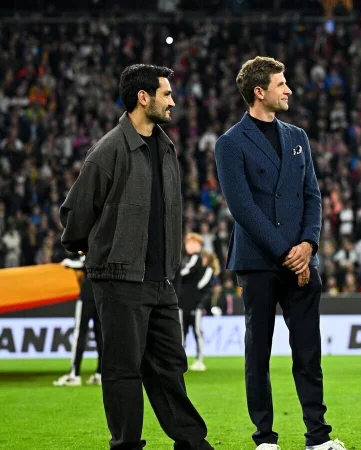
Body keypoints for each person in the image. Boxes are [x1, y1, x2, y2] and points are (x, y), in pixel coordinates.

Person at [60, 64, 213, 450]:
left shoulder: (166, 146)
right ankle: (126, 446)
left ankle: (192, 443)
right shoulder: (109, 149)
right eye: (167, 94)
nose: (173, 101)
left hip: (161, 280)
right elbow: (75, 212)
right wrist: (96, 252)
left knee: (170, 367)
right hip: (118, 279)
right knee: (122, 372)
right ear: (143, 98)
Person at [214, 56, 345, 450]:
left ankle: (317, 437)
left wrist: (307, 246)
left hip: (303, 259)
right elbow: (242, 209)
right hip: (258, 262)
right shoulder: (229, 143)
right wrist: (289, 252)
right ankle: (265, 439)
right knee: (259, 352)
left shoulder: (298, 137)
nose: (288, 89)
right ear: (260, 91)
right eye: (281, 83)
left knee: (309, 352)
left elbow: (313, 196)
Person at [52, 253, 103, 387]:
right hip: (101, 295)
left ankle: (74, 374)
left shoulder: (89, 248)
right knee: (101, 336)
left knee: (79, 334)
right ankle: (100, 373)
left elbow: (85, 263)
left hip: (87, 296)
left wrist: (69, 263)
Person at [179, 232, 211, 372]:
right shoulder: (185, 258)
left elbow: (183, 272)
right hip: (182, 302)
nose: (190, 245)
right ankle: (180, 360)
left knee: (196, 331)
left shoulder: (195, 259)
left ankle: (199, 360)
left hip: (194, 303)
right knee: (181, 332)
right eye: (188, 243)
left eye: (194, 243)